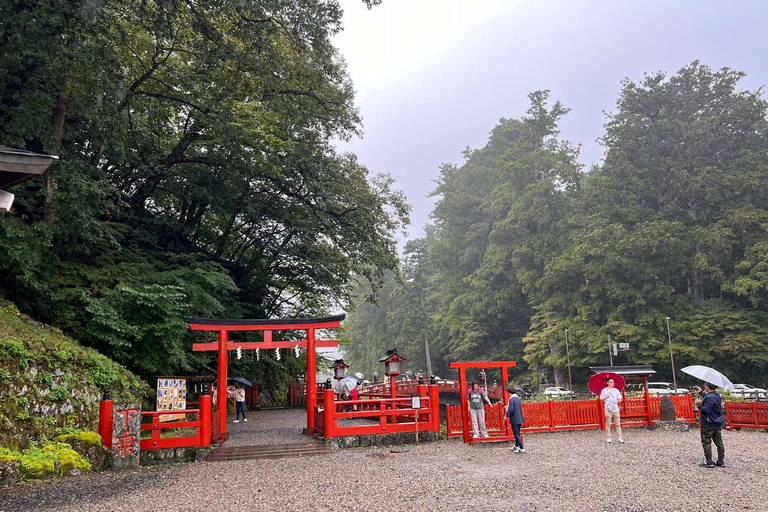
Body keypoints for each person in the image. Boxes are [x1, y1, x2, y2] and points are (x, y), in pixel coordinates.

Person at [695, 382, 725, 468]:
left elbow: (706, 410)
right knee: (719, 442)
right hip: (717, 422)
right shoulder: (717, 396)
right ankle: (720, 460)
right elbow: (710, 399)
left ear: (707, 387)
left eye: (705, 386)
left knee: (706, 441)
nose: (704, 387)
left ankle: (709, 461)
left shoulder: (709, 397)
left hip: (708, 423)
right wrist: (701, 393)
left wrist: (698, 404)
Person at [600, 377, 624, 443]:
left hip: (615, 409)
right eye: (610, 382)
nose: (612, 383)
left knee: (618, 424)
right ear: (607, 383)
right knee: (608, 424)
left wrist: (618, 401)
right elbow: (601, 399)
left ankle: (620, 437)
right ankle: (608, 437)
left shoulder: (616, 390)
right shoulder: (604, 390)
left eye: (613, 382)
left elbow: (619, 398)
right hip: (608, 409)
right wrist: (606, 397)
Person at [505, 385, 525, 453]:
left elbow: (511, 409)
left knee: (516, 434)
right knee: (518, 433)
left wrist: (507, 416)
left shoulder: (511, 399)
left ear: (509, 393)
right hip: (520, 418)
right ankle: (516, 446)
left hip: (514, 419)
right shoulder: (518, 399)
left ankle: (522, 447)